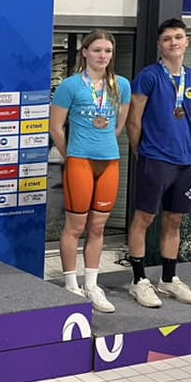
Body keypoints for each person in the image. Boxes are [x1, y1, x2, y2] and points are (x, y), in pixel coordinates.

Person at [126, 18, 191, 307]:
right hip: (155, 158)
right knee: (145, 218)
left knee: (174, 220)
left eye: (178, 37)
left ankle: (169, 279)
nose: (173, 42)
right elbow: (134, 120)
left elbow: (189, 113)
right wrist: (141, 151)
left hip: (184, 160)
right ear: (159, 45)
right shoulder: (148, 76)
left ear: (187, 42)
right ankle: (138, 281)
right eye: (167, 39)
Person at [50, 30, 131, 313]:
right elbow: (56, 128)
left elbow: (119, 125)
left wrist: (102, 143)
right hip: (79, 161)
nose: (103, 56)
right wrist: (71, 155)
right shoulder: (70, 86)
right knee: (75, 226)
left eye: (107, 50)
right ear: (84, 52)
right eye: (97, 50)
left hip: (109, 161)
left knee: (98, 227)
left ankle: (92, 285)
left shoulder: (121, 85)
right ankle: (71, 284)